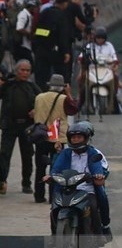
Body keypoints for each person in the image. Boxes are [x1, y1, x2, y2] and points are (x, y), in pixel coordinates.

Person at [49, 122, 111, 242]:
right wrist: (50, 176)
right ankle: (54, 236)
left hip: (87, 189)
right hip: (67, 189)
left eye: (79, 137)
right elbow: (56, 168)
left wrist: (98, 176)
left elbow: (97, 167)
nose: (76, 140)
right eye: (73, 137)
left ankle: (101, 232)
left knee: (95, 205)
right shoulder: (66, 153)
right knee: (54, 209)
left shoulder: (93, 153)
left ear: (86, 138)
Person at [32, 74, 78, 203]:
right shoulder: (64, 99)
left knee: (40, 167)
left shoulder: (39, 97)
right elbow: (74, 110)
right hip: (57, 138)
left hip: (41, 136)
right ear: (63, 87)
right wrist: (69, 93)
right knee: (56, 169)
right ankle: (53, 196)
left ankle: (39, 195)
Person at [0, 60, 40, 195]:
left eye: (27, 70)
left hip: (27, 126)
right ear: (16, 71)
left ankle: (26, 183)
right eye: (22, 70)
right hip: (10, 125)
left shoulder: (32, 86)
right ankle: (1, 181)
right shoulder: (8, 85)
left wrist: (36, 110)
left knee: (27, 155)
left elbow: (42, 101)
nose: (25, 73)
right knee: (4, 154)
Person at [31, 0, 71, 89]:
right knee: (61, 75)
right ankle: (60, 95)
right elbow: (63, 35)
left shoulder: (45, 12)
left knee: (42, 77)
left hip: (42, 49)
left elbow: (37, 31)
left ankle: (41, 95)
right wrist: (66, 51)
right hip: (56, 51)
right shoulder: (61, 16)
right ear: (65, 3)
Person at [78, 26, 119, 113]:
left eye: (102, 38)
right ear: (95, 38)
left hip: (106, 69)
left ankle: (114, 97)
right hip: (92, 69)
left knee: (115, 77)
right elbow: (81, 57)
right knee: (81, 78)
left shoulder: (109, 46)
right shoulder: (90, 45)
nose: (100, 40)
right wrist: (83, 61)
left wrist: (114, 63)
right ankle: (80, 103)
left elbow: (114, 57)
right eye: (98, 38)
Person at [13, 0, 39, 64]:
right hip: (22, 47)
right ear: (32, 6)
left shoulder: (29, 15)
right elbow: (19, 28)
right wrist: (30, 34)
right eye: (36, 7)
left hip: (27, 46)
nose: (37, 9)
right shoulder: (23, 14)